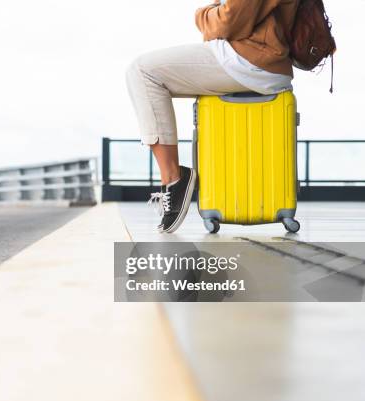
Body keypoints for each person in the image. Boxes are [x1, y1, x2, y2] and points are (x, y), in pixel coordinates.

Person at [126, 0, 299, 233]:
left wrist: (204, 14)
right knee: (145, 70)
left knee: (142, 71)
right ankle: (175, 179)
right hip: (266, 60)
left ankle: (174, 179)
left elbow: (229, 21)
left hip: (250, 61)